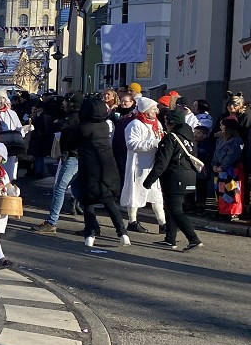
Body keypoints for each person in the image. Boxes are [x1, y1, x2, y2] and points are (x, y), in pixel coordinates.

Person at [67, 97, 130, 249]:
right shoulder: (104, 126)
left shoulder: (83, 128)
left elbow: (69, 143)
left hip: (89, 167)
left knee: (88, 202)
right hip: (108, 166)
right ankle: (123, 234)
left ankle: (90, 235)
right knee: (109, 202)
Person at [143, 111, 203, 251]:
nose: (165, 123)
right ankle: (170, 239)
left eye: (166, 120)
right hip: (188, 176)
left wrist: (149, 180)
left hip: (175, 178)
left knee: (176, 210)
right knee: (170, 208)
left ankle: (193, 239)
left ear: (171, 122)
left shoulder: (171, 138)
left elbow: (162, 162)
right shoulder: (189, 138)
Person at [35, 92, 84, 234]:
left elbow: (54, 127)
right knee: (78, 190)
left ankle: (52, 222)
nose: (63, 105)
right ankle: (92, 224)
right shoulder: (78, 116)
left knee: (60, 188)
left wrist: (54, 115)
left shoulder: (73, 118)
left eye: (66, 103)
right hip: (75, 156)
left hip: (73, 157)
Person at [122, 96, 166, 234]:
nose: (156, 111)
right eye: (153, 108)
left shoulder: (157, 124)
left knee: (156, 194)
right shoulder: (135, 125)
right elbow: (131, 144)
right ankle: (132, 221)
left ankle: (163, 223)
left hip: (152, 165)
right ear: (145, 110)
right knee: (135, 193)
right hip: (138, 165)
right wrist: (152, 144)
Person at [212, 117, 244, 221]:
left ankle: (231, 212)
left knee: (231, 191)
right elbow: (215, 153)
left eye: (223, 125)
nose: (220, 127)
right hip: (219, 170)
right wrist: (214, 165)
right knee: (220, 191)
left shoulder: (237, 141)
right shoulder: (220, 139)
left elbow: (232, 155)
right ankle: (222, 210)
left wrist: (223, 167)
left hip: (230, 170)